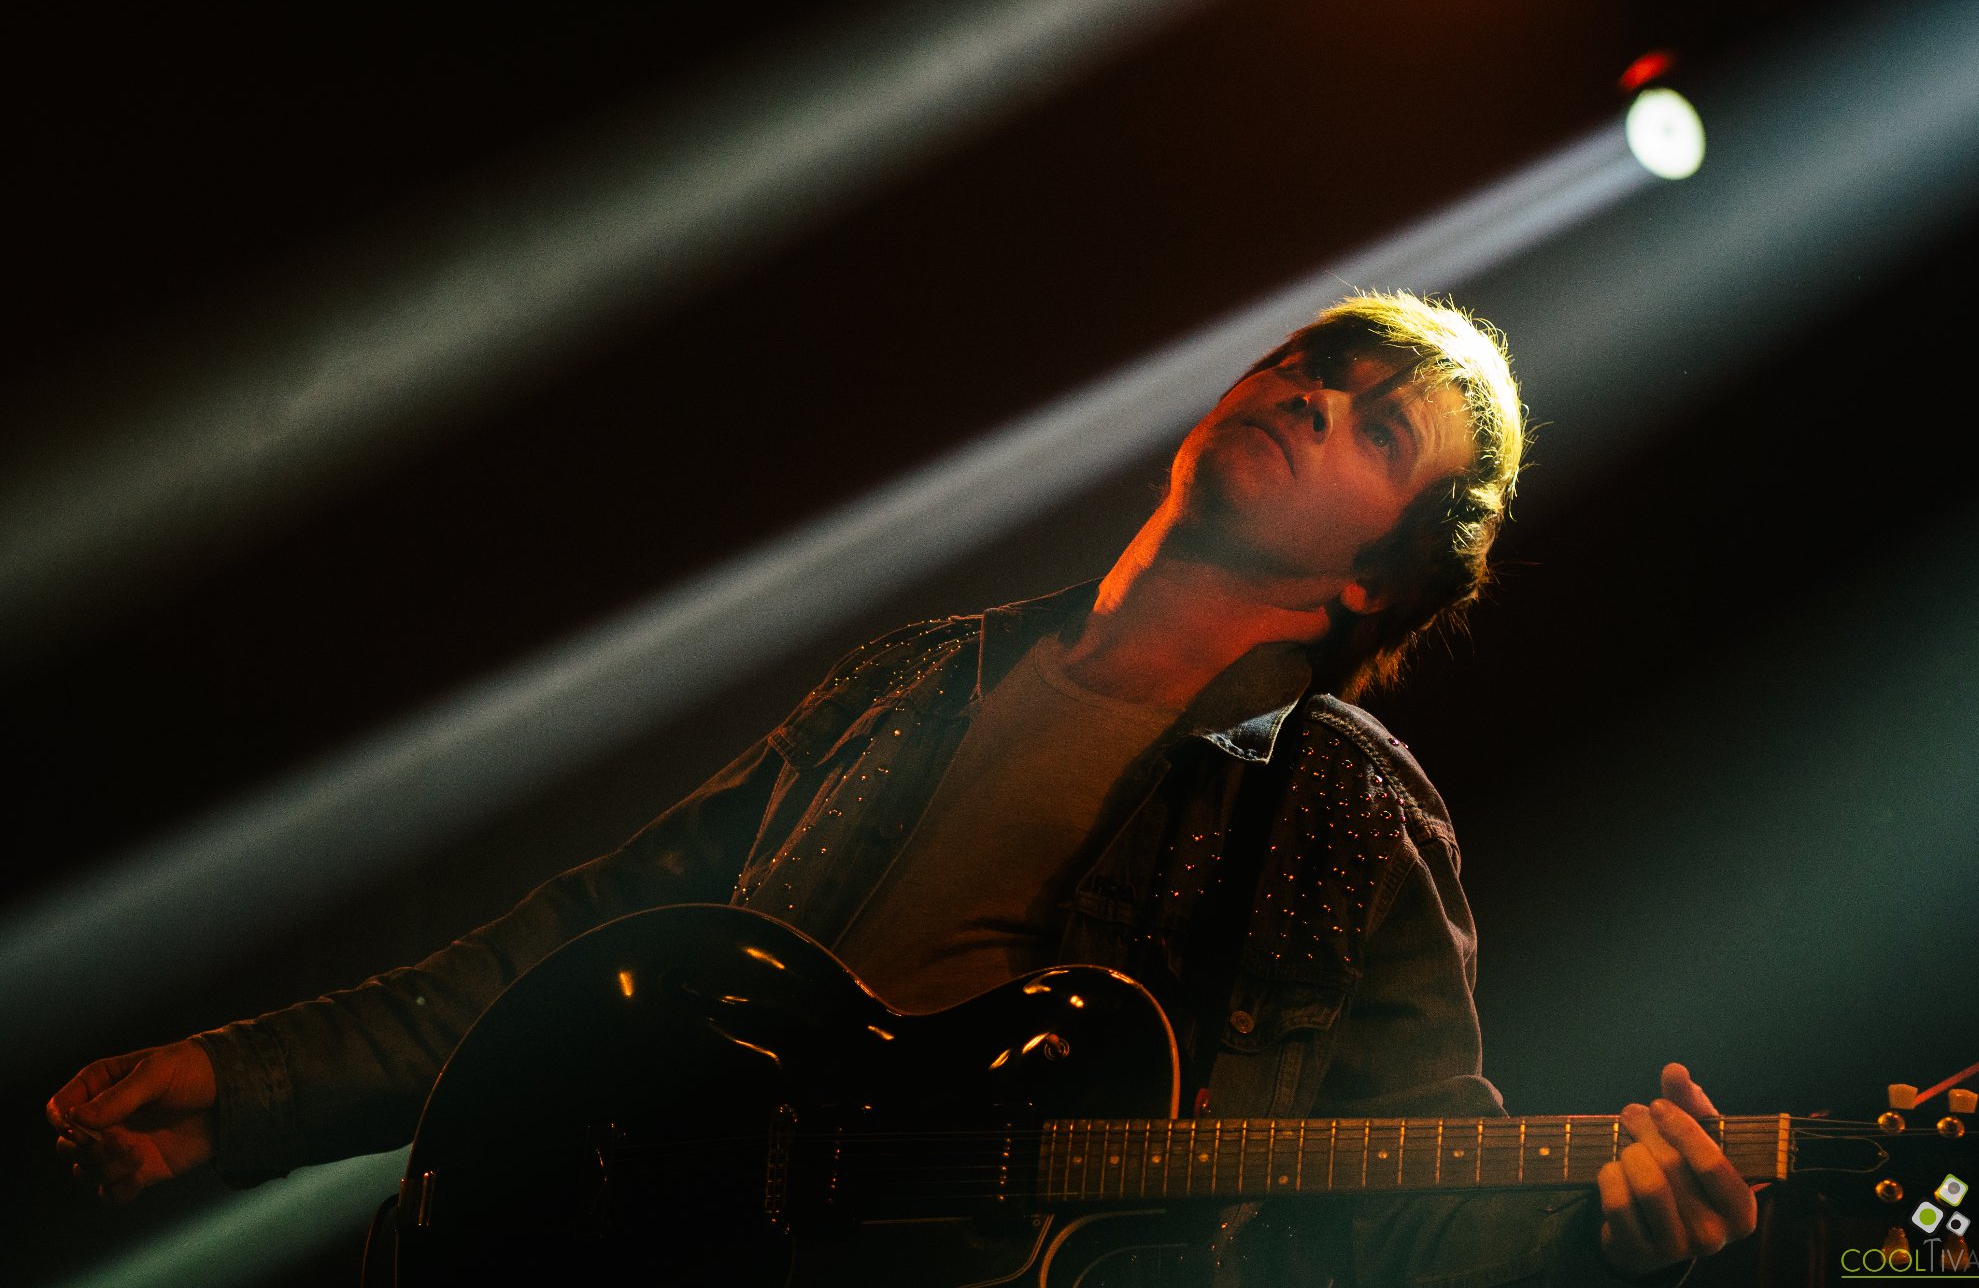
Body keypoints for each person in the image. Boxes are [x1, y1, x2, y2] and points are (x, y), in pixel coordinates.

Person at [48, 291, 1756, 1284]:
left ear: (1374, 579)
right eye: (1314, 366)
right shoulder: (918, 674)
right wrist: (246, 1080)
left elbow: (1415, 1172)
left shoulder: (1344, 807)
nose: (1316, 399)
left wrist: (1606, 1234)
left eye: (1380, 431)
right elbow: (598, 946)